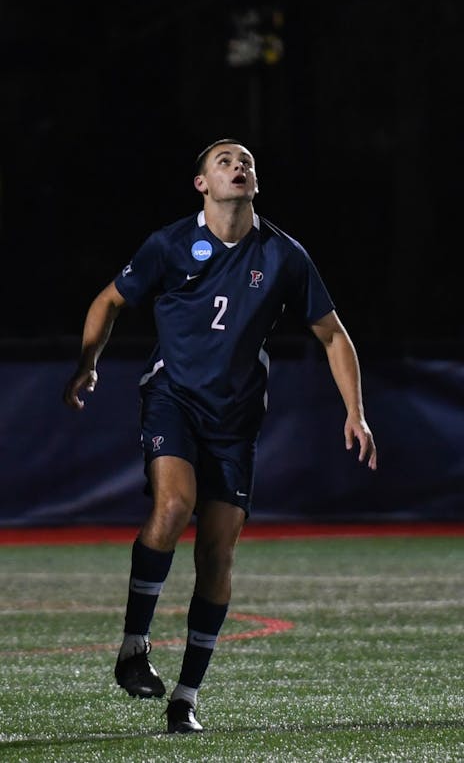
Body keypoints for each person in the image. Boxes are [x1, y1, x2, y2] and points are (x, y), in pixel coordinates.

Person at [63, 138, 377, 735]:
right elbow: (109, 300)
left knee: (217, 553)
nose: (238, 166)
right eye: (224, 161)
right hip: (173, 397)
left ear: (254, 182)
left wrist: (355, 412)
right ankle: (134, 647)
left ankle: (185, 698)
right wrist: (88, 362)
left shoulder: (283, 254)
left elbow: (333, 334)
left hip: (236, 419)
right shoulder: (169, 244)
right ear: (202, 184)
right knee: (173, 506)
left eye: (246, 161)